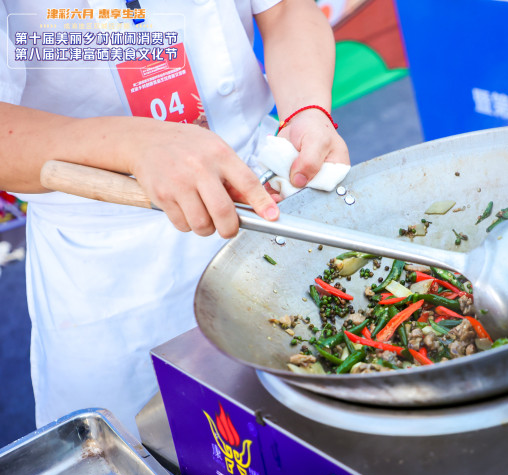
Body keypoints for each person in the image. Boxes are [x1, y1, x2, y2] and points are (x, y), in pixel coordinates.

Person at [0, 0, 349, 437]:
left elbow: (286, 11)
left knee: (309, 434)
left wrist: (306, 110)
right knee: (156, 457)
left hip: (263, 195)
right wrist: (134, 142)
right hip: (112, 261)